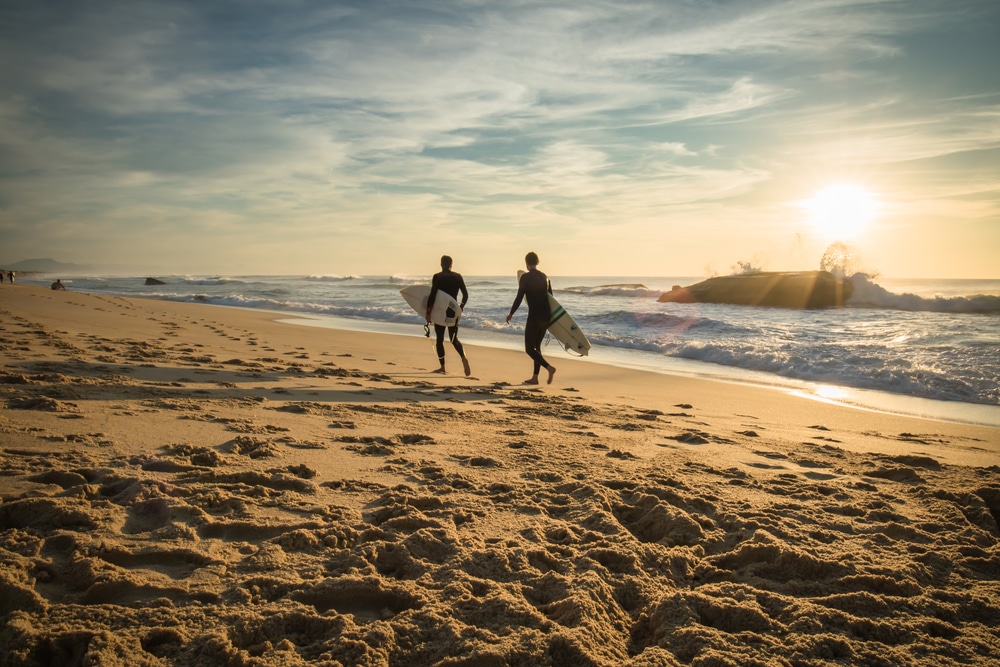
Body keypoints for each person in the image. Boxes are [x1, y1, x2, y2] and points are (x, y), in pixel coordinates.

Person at [506, 251, 556, 385]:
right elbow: (551, 299)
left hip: (535, 316)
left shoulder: (525, 278)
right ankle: (535, 377)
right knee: (537, 347)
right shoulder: (545, 277)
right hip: (546, 316)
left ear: (526, 263)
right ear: (537, 262)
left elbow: (519, 296)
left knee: (529, 349)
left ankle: (549, 368)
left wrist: (511, 313)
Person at [426, 255, 471, 376]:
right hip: (453, 312)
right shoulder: (458, 276)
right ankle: (463, 358)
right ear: (451, 264)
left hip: (440, 311)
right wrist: (460, 308)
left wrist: (428, 313)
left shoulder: (437, 277)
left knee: (439, 340)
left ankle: (442, 367)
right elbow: (466, 295)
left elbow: (433, 295)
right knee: (453, 339)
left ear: (441, 264)